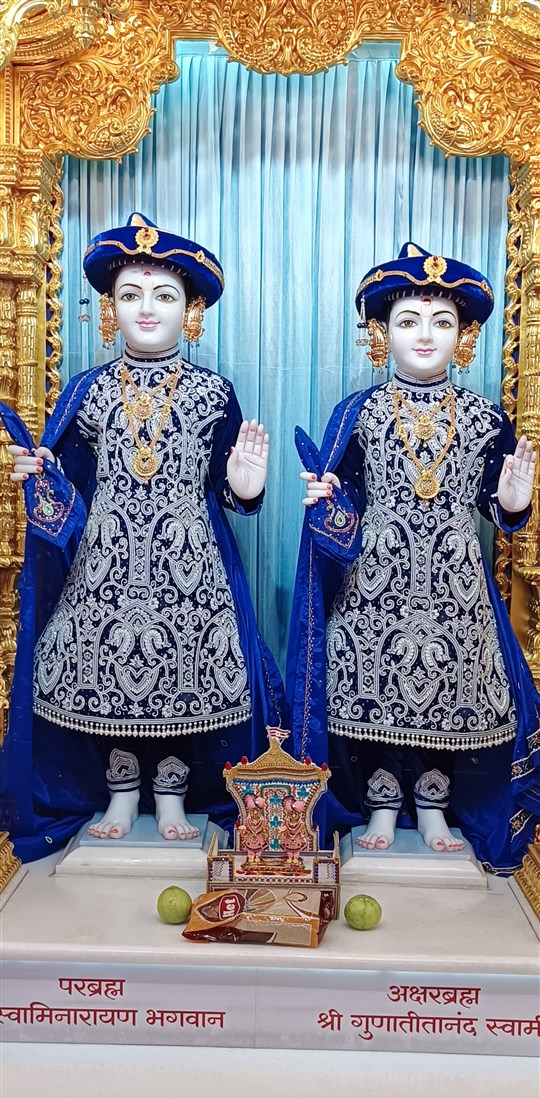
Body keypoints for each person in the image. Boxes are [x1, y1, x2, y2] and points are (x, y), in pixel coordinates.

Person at [1, 213, 284, 860]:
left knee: (184, 671)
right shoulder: (88, 391)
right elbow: (70, 496)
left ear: (191, 310)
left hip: (191, 565)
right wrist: (41, 477)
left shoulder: (215, 394)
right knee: (110, 674)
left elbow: (230, 491)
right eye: (131, 294)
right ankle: (123, 790)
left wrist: (244, 487)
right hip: (106, 566)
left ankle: (174, 792)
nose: (147, 308)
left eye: (164, 295)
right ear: (111, 308)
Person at [287, 243, 540, 872]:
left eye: (441, 321)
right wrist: (326, 503)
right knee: (375, 691)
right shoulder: (359, 413)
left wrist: (512, 504)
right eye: (408, 320)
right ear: (382, 334)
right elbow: (341, 505)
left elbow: (497, 504)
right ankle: (379, 805)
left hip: (455, 587)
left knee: (447, 693)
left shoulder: (485, 417)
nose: (425, 335)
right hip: (375, 584)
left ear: (464, 335)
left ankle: (432, 806)